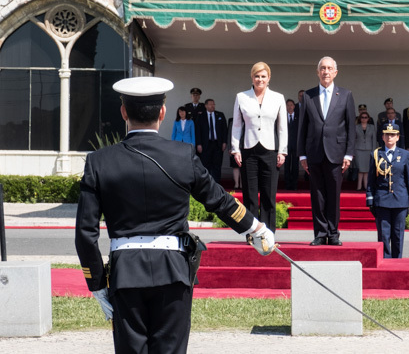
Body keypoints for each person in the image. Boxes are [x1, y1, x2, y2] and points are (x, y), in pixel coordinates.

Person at [75, 77, 274, 353]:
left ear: (123, 112)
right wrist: (255, 228)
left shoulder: (99, 162)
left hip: (126, 274)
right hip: (173, 271)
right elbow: (218, 201)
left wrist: (97, 284)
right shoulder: (183, 155)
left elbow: (85, 235)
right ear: (162, 112)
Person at [297, 56, 356, 246]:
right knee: (317, 195)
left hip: (336, 152)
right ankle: (320, 234)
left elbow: (350, 128)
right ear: (317, 72)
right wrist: (302, 154)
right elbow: (302, 128)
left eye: (330, 68)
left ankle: (333, 233)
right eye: (323, 68)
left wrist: (348, 153)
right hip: (314, 153)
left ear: (335, 72)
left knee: (333, 195)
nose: (326, 72)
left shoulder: (345, 95)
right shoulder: (308, 96)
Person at [231, 62, 288, 232]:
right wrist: (236, 148)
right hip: (249, 150)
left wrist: (282, 151)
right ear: (252, 77)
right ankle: (252, 232)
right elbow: (237, 125)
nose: (260, 79)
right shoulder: (242, 97)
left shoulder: (278, 97)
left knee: (269, 194)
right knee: (250, 195)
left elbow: (282, 127)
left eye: (263, 76)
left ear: (269, 78)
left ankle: (268, 233)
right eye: (257, 76)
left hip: (270, 151)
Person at [366, 123, 409, 258]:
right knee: (383, 234)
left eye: (393, 135)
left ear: (398, 137)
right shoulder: (376, 154)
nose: (390, 137)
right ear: (382, 137)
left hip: (400, 199)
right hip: (382, 199)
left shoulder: (405, 154)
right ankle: (385, 263)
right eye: (387, 134)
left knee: (398, 234)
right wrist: (370, 199)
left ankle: (397, 262)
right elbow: (371, 179)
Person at [197, 98, 228, 183]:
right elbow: (198, 131)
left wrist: (224, 142)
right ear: (206, 106)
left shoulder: (220, 115)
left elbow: (224, 130)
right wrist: (199, 144)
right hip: (206, 144)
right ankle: (207, 183)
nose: (212, 106)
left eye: (214, 104)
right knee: (206, 165)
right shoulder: (201, 116)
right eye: (210, 104)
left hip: (217, 144)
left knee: (217, 165)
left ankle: (216, 183)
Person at [354, 111, 377, 191]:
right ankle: (359, 186)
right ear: (360, 119)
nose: (364, 119)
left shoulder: (372, 127)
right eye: (362, 117)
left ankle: (366, 186)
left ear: (368, 119)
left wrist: (374, 151)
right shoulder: (356, 127)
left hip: (369, 149)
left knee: (367, 169)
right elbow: (353, 140)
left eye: (365, 117)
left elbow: (374, 139)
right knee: (360, 169)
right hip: (358, 149)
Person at [284, 99, 300, 190]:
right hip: (286, 145)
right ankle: (287, 184)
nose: (289, 107)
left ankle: (294, 185)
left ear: (294, 106)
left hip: (296, 145)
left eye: (291, 105)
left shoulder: (298, 117)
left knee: (295, 165)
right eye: (288, 105)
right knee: (286, 165)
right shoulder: (283, 117)